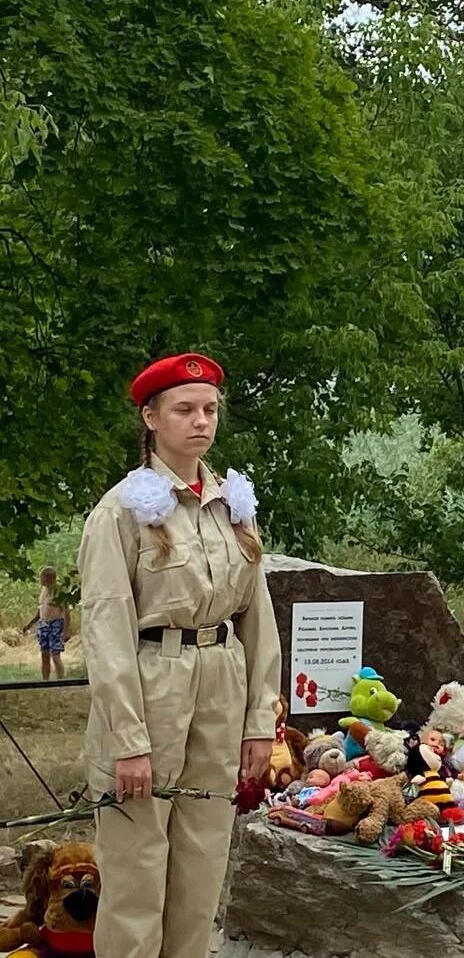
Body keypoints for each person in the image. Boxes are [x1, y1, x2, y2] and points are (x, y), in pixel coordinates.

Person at [77, 352, 282, 958]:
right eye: (184, 409)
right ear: (151, 417)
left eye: (210, 409)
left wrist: (258, 724)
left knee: (201, 869)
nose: (201, 421)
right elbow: (107, 629)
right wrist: (128, 741)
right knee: (137, 876)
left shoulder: (233, 508)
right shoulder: (121, 511)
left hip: (221, 686)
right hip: (151, 686)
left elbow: (258, 622)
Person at [22, 566, 70, 680]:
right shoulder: (43, 591)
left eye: (42, 577)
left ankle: (61, 681)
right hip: (43, 625)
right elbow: (40, 612)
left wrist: (65, 631)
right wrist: (29, 625)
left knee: (55, 655)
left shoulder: (59, 591)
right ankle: (45, 682)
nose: (40, 580)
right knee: (44, 655)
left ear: (49, 578)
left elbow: (67, 612)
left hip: (56, 624)